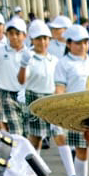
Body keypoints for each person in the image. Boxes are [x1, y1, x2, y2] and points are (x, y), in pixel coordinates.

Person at [53, 24, 89, 176]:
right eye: (78, 43)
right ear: (69, 44)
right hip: (76, 111)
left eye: (85, 42)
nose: (83, 46)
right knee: (81, 150)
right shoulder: (63, 64)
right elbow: (60, 88)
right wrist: (60, 110)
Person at [18, 21, 60, 158]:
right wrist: (23, 65)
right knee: (36, 138)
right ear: (32, 40)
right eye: (38, 39)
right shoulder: (29, 58)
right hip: (34, 98)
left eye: (45, 38)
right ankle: (33, 168)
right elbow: (22, 80)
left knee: (60, 135)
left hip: (52, 98)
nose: (42, 42)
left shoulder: (54, 59)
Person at [0, 18, 30, 135]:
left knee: (27, 133)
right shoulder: (0, 51)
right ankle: (16, 152)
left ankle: (24, 153)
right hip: (7, 94)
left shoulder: (30, 54)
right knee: (16, 131)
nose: (14, 37)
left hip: (26, 94)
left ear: (25, 35)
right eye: (10, 34)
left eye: (17, 34)